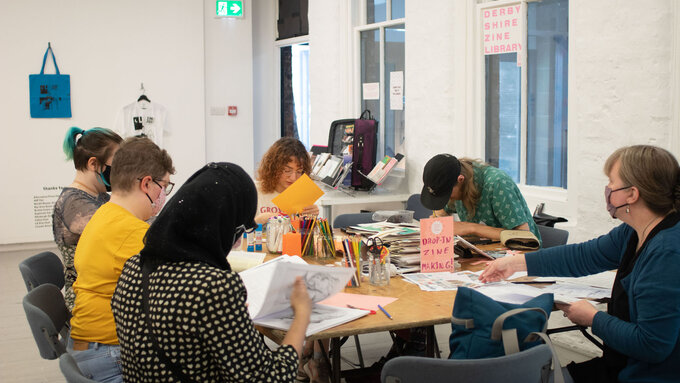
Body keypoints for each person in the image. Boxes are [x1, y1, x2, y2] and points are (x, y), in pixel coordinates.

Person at [480, 145, 680, 383]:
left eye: (611, 182)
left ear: (632, 195)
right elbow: (584, 256)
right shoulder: (634, 232)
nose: (607, 189)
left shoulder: (666, 253)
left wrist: (593, 319)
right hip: (622, 364)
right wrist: (517, 263)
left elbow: (652, 345)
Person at [111, 162, 312, 382]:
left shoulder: (133, 266)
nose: (235, 242)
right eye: (239, 230)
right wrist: (301, 314)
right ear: (222, 227)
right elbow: (271, 378)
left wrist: (226, 314)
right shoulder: (213, 287)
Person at [67, 137, 175, 383]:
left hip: (85, 342)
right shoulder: (131, 233)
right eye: (165, 186)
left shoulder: (105, 213)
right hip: (108, 352)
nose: (164, 195)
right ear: (147, 183)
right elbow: (176, 294)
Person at [52, 126, 123, 310]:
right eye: (117, 165)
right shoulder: (74, 203)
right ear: (93, 164)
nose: (120, 172)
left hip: (100, 288)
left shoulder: (99, 196)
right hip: (85, 300)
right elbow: (116, 232)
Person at [420, 154, 541, 242]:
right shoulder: (452, 184)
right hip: (484, 252)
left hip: (521, 256)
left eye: (446, 195)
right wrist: (441, 220)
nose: (446, 199)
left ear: (460, 180)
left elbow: (524, 236)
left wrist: (471, 228)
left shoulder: (497, 183)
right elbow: (440, 210)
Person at [255, 137, 319, 224]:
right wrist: (260, 220)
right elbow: (241, 230)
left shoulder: (302, 194)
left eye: (299, 171)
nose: (293, 178)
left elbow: (304, 233)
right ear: (273, 167)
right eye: (287, 171)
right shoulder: (255, 191)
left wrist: (311, 219)